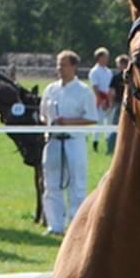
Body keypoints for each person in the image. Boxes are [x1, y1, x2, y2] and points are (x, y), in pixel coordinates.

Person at [40, 50, 97, 236]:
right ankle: (54, 224)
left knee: (77, 184)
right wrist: (48, 121)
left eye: (63, 64)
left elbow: (91, 118)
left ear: (73, 66)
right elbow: (43, 114)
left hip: (74, 141)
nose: (59, 68)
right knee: (51, 183)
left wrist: (69, 122)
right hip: (53, 140)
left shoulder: (83, 91)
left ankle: (75, 224)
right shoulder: (50, 89)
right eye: (58, 64)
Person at [88, 47, 113, 153]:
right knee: (98, 122)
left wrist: (110, 99)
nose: (106, 59)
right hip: (100, 99)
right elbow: (95, 87)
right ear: (99, 58)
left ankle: (109, 143)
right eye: (104, 57)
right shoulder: (94, 71)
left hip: (109, 98)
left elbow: (110, 87)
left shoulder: (108, 71)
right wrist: (101, 99)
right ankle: (95, 142)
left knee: (109, 122)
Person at [106, 54, 130, 156]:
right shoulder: (118, 77)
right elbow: (111, 91)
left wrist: (111, 103)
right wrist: (111, 103)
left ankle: (114, 148)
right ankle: (111, 147)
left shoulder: (120, 77)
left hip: (123, 104)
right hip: (120, 103)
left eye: (119, 64)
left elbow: (111, 91)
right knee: (115, 126)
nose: (117, 66)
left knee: (116, 126)